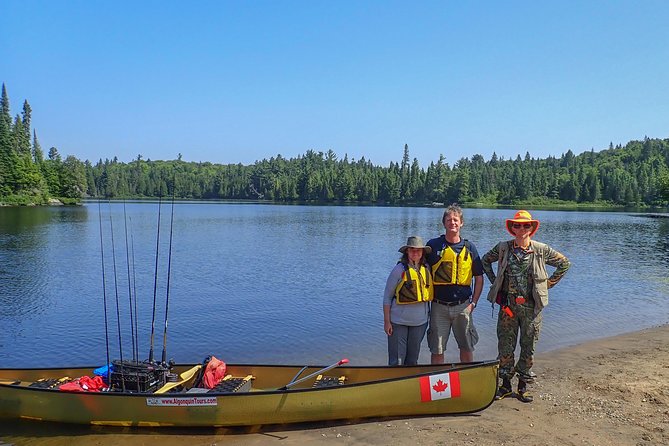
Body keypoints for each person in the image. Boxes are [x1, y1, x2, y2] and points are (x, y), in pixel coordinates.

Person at [482, 210, 571, 403]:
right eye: (517, 225)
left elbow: (564, 263)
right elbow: (485, 261)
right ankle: (505, 385)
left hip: (532, 306)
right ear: (512, 228)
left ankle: (522, 386)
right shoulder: (503, 248)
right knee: (505, 345)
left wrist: (547, 284)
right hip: (508, 306)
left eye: (525, 225)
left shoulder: (541, 249)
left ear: (531, 228)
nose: (521, 228)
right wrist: (495, 283)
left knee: (528, 346)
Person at [426, 204, 484, 364]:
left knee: (466, 346)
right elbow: (420, 270)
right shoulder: (433, 246)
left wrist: (474, 303)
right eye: (449, 219)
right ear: (444, 223)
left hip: (463, 306)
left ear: (461, 223)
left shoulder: (470, 248)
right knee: (437, 348)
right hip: (439, 306)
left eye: (455, 219)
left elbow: (479, 277)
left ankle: (466, 378)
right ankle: (438, 384)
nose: (452, 222)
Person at [383, 236, 432, 366]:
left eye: (418, 250)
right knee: (397, 361)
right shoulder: (398, 270)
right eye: (412, 250)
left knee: (412, 361)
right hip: (398, 323)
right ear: (407, 252)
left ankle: (409, 385)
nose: (415, 253)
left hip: (420, 323)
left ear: (422, 253)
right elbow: (387, 297)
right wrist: (387, 322)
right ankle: (393, 385)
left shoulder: (427, 268)